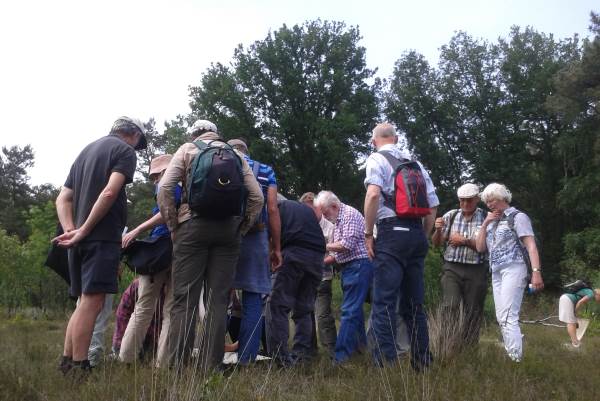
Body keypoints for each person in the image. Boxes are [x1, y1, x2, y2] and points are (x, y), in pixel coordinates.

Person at [157, 119, 263, 372]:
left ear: (195, 133)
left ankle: (176, 366)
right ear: (217, 134)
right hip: (228, 231)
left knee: (185, 299)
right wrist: (242, 227)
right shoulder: (236, 155)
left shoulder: (187, 149)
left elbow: (164, 188)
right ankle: (211, 366)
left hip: (191, 226)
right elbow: (257, 197)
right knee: (218, 301)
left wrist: (174, 225)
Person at [53, 116, 147, 374]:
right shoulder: (124, 150)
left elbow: (63, 198)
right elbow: (109, 192)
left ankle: (67, 361)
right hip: (101, 237)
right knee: (92, 302)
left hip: (79, 240)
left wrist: (72, 229)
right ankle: (80, 366)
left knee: (84, 300)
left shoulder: (86, 151)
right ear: (134, 135)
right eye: (139, 142)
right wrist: (84, 230)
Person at [363, 122, 439, 371]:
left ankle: (386, 366)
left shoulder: (376, 159)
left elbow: (373, 194)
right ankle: (422, 363)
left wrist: (367, 234)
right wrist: (424, 236)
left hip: (391, 233)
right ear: (395, 139)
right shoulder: (416, 164)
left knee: (383, 303)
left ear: (375, 141)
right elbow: (433, 206)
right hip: (416, 234)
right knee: (414, 305)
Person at [118, 154, 181, 364]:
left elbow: (164, 213)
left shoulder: (165, 183)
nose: (155, 179)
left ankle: (126, 360)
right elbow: (168, 213)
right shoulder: (178, 182)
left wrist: (137, 229)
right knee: (171, 309)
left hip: (158, 251)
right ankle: (162, 365)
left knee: (144, 306)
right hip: (179, 249)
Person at [226, 138, 282, 365]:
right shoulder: (265, 170)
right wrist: (276, 247)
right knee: (253, 297)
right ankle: (246, 358)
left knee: (220, 295)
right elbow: (272, 208)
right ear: (247, 150)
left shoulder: (219, 164)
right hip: (256, 235)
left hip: (224, 234)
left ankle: (212, 355)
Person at [475, 183, 544, 362]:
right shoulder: (491, 221)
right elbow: (480, 247)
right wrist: (485, 223)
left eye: (493, 200)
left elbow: (531, 246)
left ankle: (515, 359)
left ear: (504, 198)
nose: (490, 204)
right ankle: (513, 353)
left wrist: (536, 272)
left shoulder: (517, 217)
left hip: (514, 267)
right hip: (496, 271)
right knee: (501, 317)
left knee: (508, 316)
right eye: (487, 201)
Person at [314, 191, 373, 363]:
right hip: (350, 267)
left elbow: (346, 245)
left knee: (349, 311)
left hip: (358, 265)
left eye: (325, 213)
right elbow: (338, 253)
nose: (325, 217)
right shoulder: (339, 219)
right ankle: (361, 350)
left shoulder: (349, 215)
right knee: (355, 312)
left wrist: (321, 246)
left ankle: (339, 358)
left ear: (333, 206)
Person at [266, 199, 326, 367]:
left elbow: (272, 233)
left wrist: (272, 253)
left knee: (277, 306)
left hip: (294, 253)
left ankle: (280, 359)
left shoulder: (274, 208)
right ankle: (302, 356)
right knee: (304, 309)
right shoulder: (303, 209)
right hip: (317, 257)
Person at [431, 183, 488, 345]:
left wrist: (463, 241)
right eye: (462, 200)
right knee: (450, 305)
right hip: (452, 268)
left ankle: (468, 349)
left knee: (473, 310)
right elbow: (436, 243)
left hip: (477, 269)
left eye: (469, 200)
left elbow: (486, 247)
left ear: (477, 199)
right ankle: (446, 344)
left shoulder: (486, 218)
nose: (465, 204)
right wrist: (438, 230)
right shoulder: (451, 215)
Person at [299, 191, 337, 358]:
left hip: (323, 277)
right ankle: (310, 352)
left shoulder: (330, 227)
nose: (309, 213)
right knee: (305, 314)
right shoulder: (300, 225)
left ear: (318, 209)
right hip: (303, 278)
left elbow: (335, 255)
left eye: (312, 209)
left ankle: (332, 352)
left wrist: (320, 262)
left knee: (322, 316)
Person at [112, 278, 165, 360]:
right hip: (133, 335)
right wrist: (118, 344)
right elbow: (123, 314)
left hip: (155, 339)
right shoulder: (137, 286)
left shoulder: (174, 290)